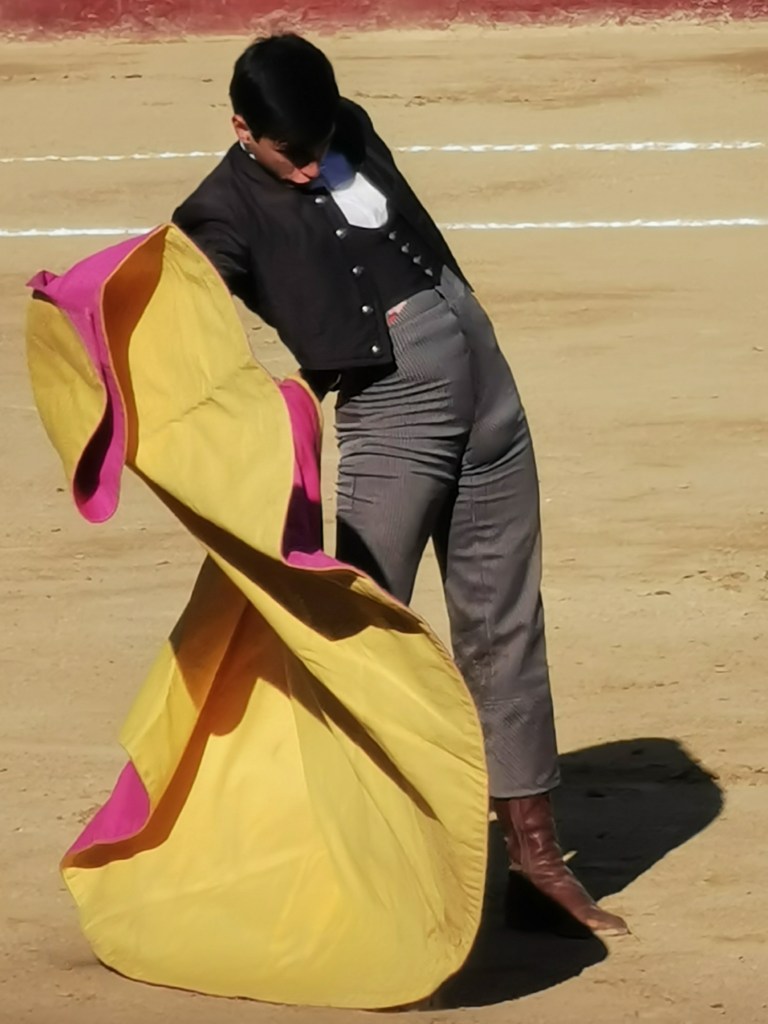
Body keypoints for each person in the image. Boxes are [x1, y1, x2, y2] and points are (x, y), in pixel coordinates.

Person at [173, 33, 628, 938]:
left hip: (489, 385)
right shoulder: (217, 211)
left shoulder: (348, 126)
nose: (310, 166)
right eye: (290, 153)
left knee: (506, 623)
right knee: (357, 633)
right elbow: (173, 324)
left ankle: (536, 862)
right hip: (392, 414)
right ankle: (338, 859)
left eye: (317, 145)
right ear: (240, 129)